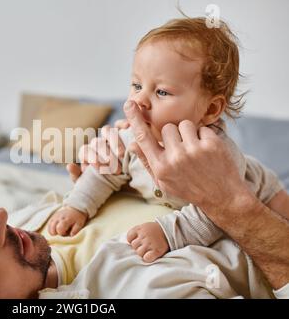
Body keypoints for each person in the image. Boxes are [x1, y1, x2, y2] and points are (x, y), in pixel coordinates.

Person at [47, 17, 289, 264]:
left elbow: (219, 213)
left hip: (264, 191)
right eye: (137, 85)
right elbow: (104, 173)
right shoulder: (130, 138)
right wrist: (77, 206)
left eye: (161, 91)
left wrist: (167, 233)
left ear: (210, 109)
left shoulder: (217, 156)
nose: (141, 99)